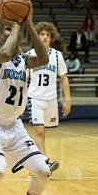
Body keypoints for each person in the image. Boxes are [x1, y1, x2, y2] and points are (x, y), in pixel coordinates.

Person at [0, 0, 51, 195]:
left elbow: (44, 58)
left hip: (15, 128)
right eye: (7, 33)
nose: (12, 35)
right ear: (1, 38)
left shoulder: (24, 61)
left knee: (43, 172)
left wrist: (29, 24)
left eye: (15, 33)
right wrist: (15, 25)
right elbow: (6, 53)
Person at [26, 21, 71, 173]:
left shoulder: (57, 56)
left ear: (51, 38)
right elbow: (22, 79)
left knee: (43, 133)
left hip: (51, 100)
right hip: (35, 99)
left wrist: (67, 99)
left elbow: (64, 78)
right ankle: (44, 162)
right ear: (37, 37)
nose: (44, 37)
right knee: (38, 132)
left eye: (47, 35)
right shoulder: (31, 54)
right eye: (42, 34)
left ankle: (36, 163)